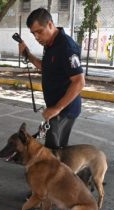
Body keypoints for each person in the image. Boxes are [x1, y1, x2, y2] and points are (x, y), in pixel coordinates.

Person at [18, 8, 85, 149]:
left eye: (39, 31)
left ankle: (57, 171)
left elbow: (79, 81)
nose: (36, 37)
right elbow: (45, 67)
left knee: (55, 150)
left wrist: (57, 108)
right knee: (54, 147)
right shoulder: (49, 44)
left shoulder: (66, 46)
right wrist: (28, 54)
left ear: (50, 24)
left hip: (64, 109)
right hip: (55, 107)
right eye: (33, 33)